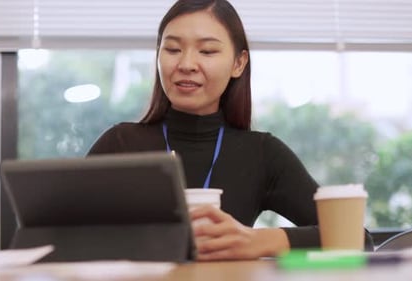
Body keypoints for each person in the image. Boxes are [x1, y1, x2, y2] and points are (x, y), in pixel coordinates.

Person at [88, 0, 373, 260]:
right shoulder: (120, 144)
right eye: (173, 49)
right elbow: (54, 236)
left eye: (207, 51)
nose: (186, 64)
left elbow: (358, 240)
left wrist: (258, 241)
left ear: (238, 63)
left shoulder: (261, 153)